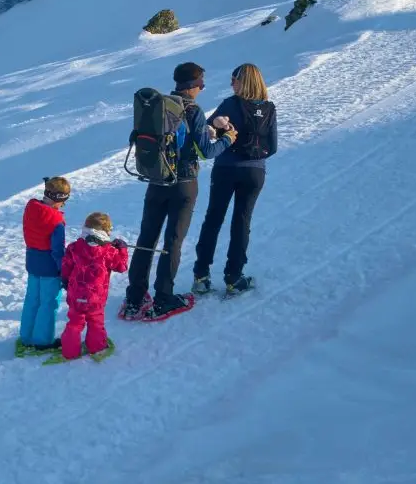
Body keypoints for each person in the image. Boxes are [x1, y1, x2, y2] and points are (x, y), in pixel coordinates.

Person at [120, 62, 236, 321]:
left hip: (156, 179)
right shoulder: (193, 109)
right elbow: (207, 151)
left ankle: (134, 298)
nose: (202, 89)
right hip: (184, 183)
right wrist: (227, 140)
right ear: (193, 86)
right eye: (201, 85)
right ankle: (164, 298)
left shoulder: (161, 106)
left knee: (146, 238)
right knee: (172, 241)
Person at [193, 63, 279, 297]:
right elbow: (272, 147)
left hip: (226, 168)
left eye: (234, 79)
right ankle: (234, 276)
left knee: (213, 218)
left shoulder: (230, 104)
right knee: (242, 221)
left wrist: (223, 134)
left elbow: (208, 130)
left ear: (244, 82)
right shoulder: (269, 108)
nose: (231, 83)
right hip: (254, 172)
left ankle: (201, 275)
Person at [57, 212, 129, 361]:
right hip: (96, 298)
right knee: (95, 322)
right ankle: (96, 347)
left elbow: (66, 265)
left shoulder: (75, 247)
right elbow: (121, 266)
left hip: (76, 294)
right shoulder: (108, 251)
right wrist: (122, 250)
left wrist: (65, 279)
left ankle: (69, 351)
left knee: (75, 323)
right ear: (105, 231)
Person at [17, 176, 70, 354]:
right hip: (49, 267)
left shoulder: (31, 208)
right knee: (48, 303)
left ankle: (26, 336)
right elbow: (57, 251)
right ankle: (42, 340)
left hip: (32, 262)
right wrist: (64, 271)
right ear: (60, 200)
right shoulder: (57, 222)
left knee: (32, 299)